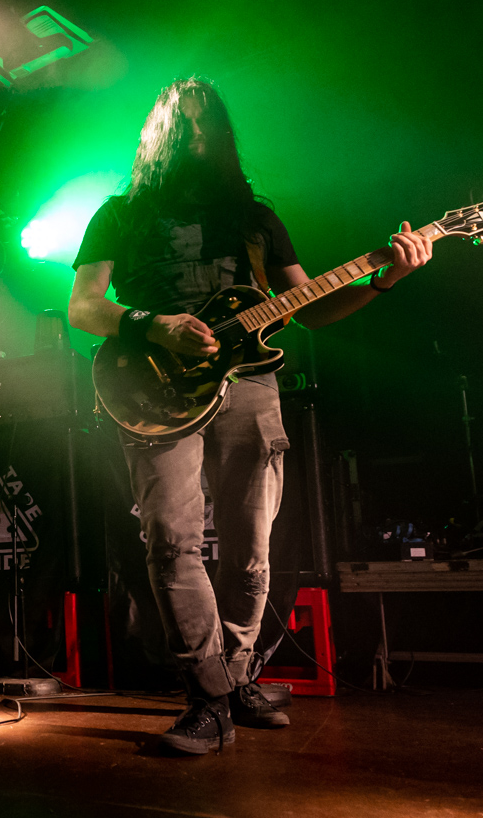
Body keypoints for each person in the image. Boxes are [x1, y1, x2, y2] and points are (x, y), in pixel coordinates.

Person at [67, 77, 431, 753]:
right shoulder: (119, 214)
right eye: (184, 124)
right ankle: (207, 697)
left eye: (208, 124)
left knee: (251, 549)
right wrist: (154, 325)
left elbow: (311, 308)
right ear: (158, 135)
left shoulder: (255, 218)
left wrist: (386, 277)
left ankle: (234, 680)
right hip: (155, 389)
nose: (197, 135)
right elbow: (85, 307)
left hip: (252, 386)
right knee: (170, 542)